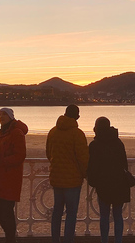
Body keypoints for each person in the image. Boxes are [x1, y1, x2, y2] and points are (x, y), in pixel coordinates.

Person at [46, 104, 89, 243]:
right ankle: (68, 240)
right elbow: (83, 158)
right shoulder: (77, 134)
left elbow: (48, 153)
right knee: (71, 213)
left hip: (56, 178)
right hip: (73, 181)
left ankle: (55, 239)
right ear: (77, 116)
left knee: (57, 211)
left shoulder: (53, 132)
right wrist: (84, 174)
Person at [87, 117, 130, 243]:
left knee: (104, 216)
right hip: (119, 183)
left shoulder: (95, 145)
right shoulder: (118, 142)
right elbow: (124, 163)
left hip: (103, 184)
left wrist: (92, 181)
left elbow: (92, 166)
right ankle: (118, 240)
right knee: (118, 215)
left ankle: (104, 240)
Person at [0, 108, 28, 243]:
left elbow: (20, 155)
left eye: (4, 114)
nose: (1, 117)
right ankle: (10, 237)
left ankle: (11, 238)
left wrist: (1, 162)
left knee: (5, 211)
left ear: (11, 117)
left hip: (9, 179)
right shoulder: (4, 132)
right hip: (0, 178)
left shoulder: (16, 133)